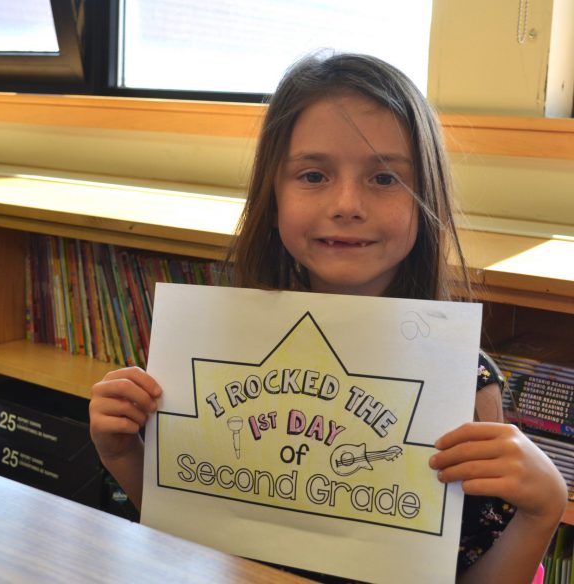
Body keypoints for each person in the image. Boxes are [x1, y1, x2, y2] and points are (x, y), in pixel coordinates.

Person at [89, 52, 567, 583]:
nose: (346, 204)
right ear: (272, 197)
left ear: (425, 198)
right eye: (313, 175)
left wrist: (541, 510)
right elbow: (196, 528)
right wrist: (125, 455)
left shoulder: (466, 386)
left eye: (384, 179)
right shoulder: (221, 347)